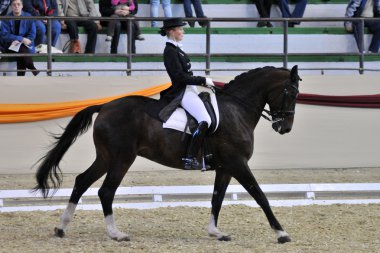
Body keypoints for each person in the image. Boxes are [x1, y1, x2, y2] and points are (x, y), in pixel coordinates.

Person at [159, 17, 214, 170]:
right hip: (182, 91)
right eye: (180, 29)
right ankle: (190, 157)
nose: (183, 31)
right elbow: (179, 77)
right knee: (204, 120)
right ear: (171, 31)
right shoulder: (170, 51)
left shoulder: (177, 49)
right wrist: (202, 80)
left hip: (189, 88)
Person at [1, 0, 39, 76]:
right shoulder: (6, 18)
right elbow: (4, 35)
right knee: (21, 50)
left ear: (22, 6)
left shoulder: (28, 17)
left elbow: (32, 33)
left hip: (26, 45)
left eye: (18, 4)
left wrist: (27, 40)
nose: (16, 6)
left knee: (21, 50)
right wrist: (20, 39)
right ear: (11, 7)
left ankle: (21, 77)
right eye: (14, 5)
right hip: (10, 45)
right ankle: (32, 69)